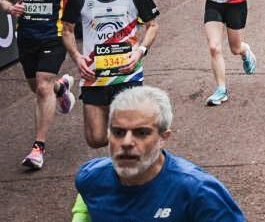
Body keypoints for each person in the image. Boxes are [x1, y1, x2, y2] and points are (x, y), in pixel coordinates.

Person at [71, 86, 245, 221]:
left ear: (163, 137)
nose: (126, 143)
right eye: (118, 132)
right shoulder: (90, 178)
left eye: (142, 133)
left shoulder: (198, 192)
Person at [0, 0, 91, 169]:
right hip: (27, 36)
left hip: (55, 34)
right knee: (37, 88)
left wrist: (82, 11)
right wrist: (11, 8)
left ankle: (38, 148)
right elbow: (4, 0)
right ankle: (61, 88)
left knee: (42, 87)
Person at [61, 0, 160, 148]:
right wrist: (77, 57)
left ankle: (128, 170)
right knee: (96, 140)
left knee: (129, 134)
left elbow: (152, 25)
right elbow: (67, 30)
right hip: (94, 76)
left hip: (128, 73)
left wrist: (140, 51)